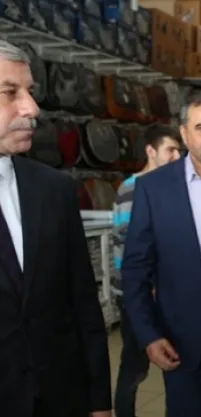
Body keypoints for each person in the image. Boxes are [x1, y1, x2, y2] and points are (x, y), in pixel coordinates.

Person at [0, 40, 112, 417]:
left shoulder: (54, 189)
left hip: (59, 397)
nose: (31, 108)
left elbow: (82, 302)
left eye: (30, 91)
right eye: (10, 92)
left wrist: (99, 401)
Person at [122, 92, 201, 417]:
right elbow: (135, 270)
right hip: (181, 337)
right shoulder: (154, 188)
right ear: (184, 133)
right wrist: (149, 335)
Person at [111, 124, 181, 417]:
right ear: (151, 151)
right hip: (138, 295)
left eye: (179, 150)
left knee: (173, 362)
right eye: (170, 150)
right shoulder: (134, 188)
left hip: (164, 293)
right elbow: (133, 249)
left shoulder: (169, 186)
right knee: (134, 364)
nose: (177, 157)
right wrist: (147, 288)